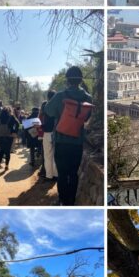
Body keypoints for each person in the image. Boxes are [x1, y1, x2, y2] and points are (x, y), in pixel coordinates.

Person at [44, 66, 92, 206]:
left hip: (61, 141)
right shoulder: (87, 97)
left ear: (67, 80)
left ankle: (63, 200)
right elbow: (86, 117)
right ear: (81, 80)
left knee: (62, 173)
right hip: (77, 142)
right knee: (73, 173)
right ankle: (71, 200)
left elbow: (48, 111)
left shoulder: (60, 96)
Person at [40, 90, 58, 180]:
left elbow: (46, 123)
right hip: (57, 133)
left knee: (48, 155)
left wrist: (40, 126)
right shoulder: (59, 106)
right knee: (55, 155)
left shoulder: (46, 107)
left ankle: (49, 175)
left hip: (47, 133)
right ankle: (55, 175)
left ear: (48, 97)